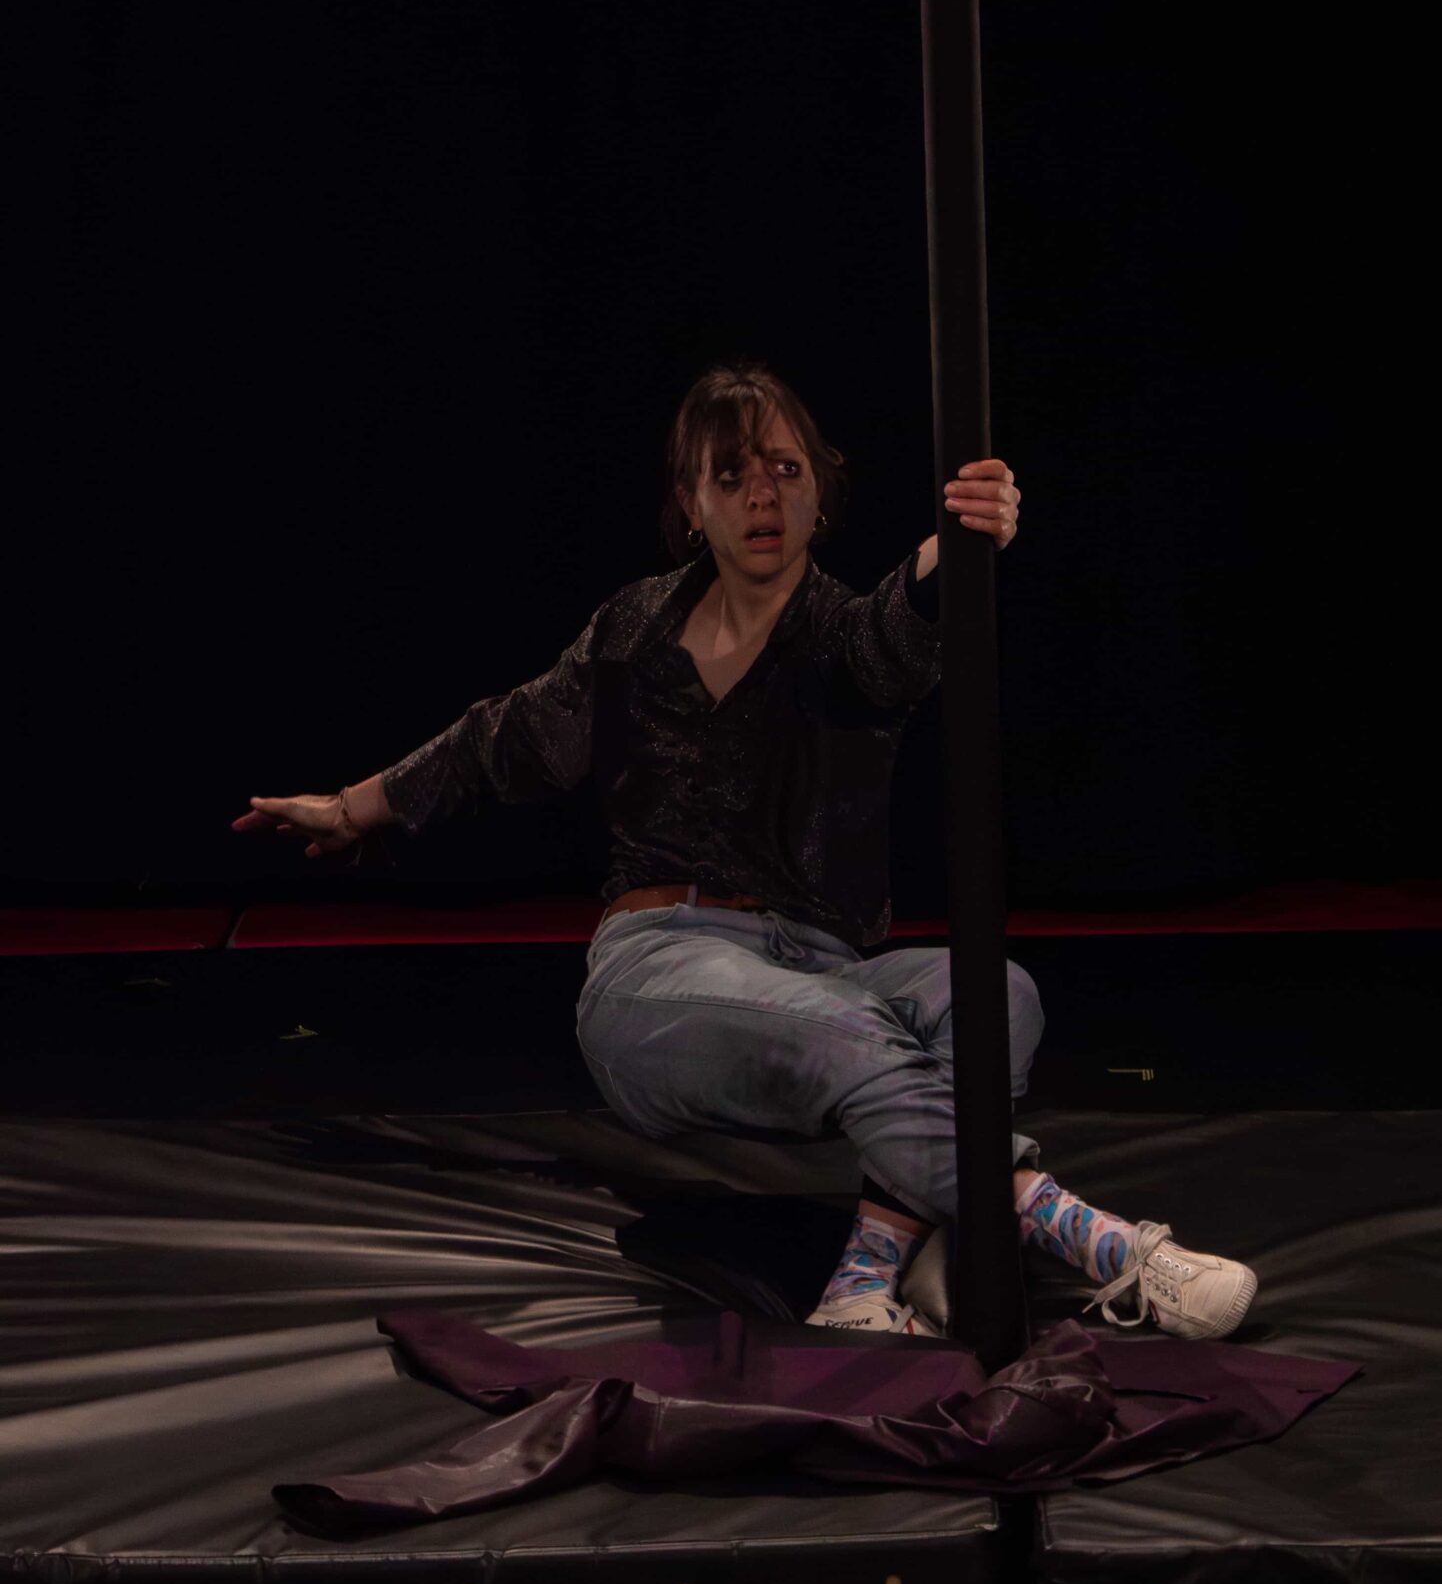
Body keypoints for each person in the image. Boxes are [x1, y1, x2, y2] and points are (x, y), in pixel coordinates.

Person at [234, 362, 1257, 1342]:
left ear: (820, 491)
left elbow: (898, 628)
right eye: (729, 476)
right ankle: (1094, 1237)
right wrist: (349, 809)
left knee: (994, 995)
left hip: (819, 967)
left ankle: (866, 1278)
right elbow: (501, 738)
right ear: (692, 503)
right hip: (658, 971)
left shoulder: (839, 639)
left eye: (784, 469)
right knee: (848, 1033)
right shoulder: (633, 630)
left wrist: (957, 543)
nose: (761, 495)